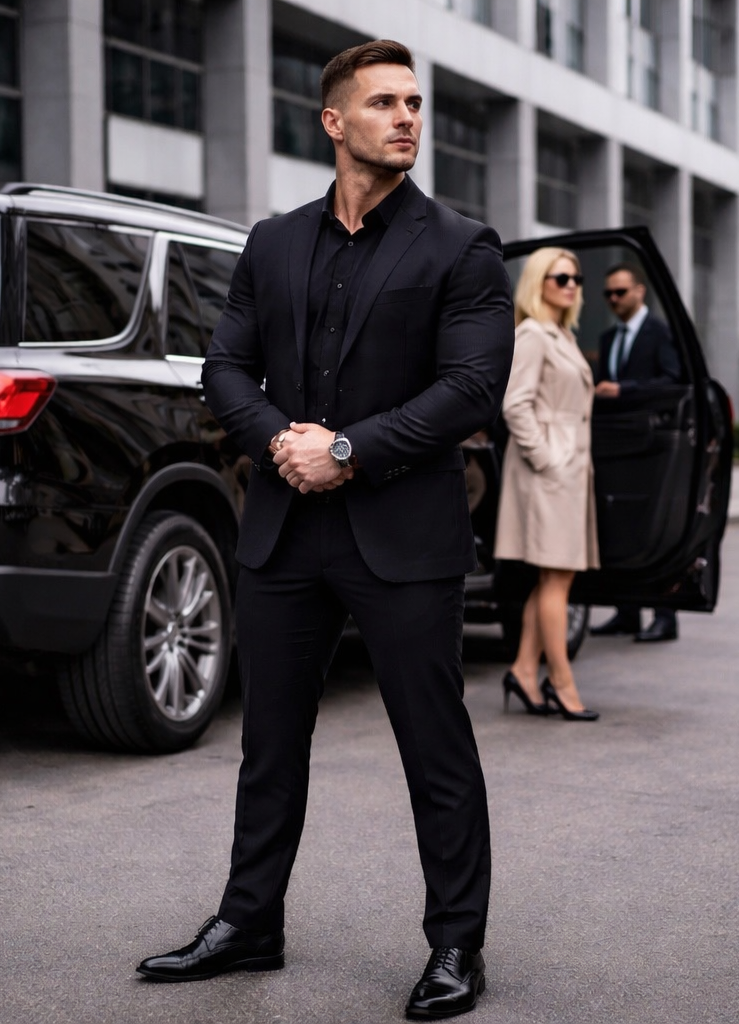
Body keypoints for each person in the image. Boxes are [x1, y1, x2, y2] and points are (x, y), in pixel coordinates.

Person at [135, 40, 514, 1022]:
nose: (408, 118)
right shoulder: (273, 242)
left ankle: (456, 943)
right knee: (269, 742)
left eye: (416, 103)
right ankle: (249, 920)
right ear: (333, 122)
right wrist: (282, 444)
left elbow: (470, 388)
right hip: (285, 535)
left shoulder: (462, 247)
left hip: (404, 537)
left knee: (434, 745)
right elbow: (224, 370)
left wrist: (346, 447)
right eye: (385, 102)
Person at [493, 248, 600, 723]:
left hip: (568, 471)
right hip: (550, 471)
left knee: (555, 578)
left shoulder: (562, 334)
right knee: (557, 579)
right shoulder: (533, 333)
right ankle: (562, 681)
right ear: (540, 282)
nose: (573, 284)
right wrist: (548, 459)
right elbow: (515, 405)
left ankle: (522, 669)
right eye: (562, 277)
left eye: (576, 277)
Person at [588, 263, 684, 643]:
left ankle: (665, 615)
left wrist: (624, 390)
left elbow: (672, 381)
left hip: (652, 443)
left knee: (655, 524)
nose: (613, 299)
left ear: (640, 292)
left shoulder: (659, 332)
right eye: (608, 293)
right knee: (621, 524)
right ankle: (627, 612)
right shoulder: (609, 337)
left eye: (620, 292)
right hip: (616, 442)